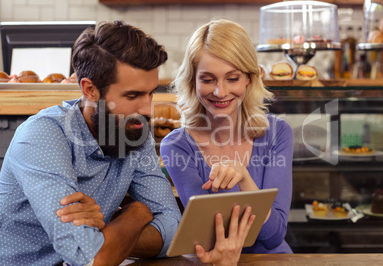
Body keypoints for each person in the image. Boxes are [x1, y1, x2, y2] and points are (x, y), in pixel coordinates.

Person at [0, 20, 182, 266]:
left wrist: (103, 232)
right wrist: (138, 213)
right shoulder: (42, 135)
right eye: (132, 95)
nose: (148, 109)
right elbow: (91, 258)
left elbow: (173, 231)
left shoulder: (134, 132)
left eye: (151, 92)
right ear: (90, 90)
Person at [160, 19, 294, 259]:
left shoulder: (278, 134)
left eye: (232, 78)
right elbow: (206, 236)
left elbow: (274, 236)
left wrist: (244, 178)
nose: (220, 92)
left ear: (249, 79)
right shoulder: (177, 146)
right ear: (193, 81)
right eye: (208, 79)